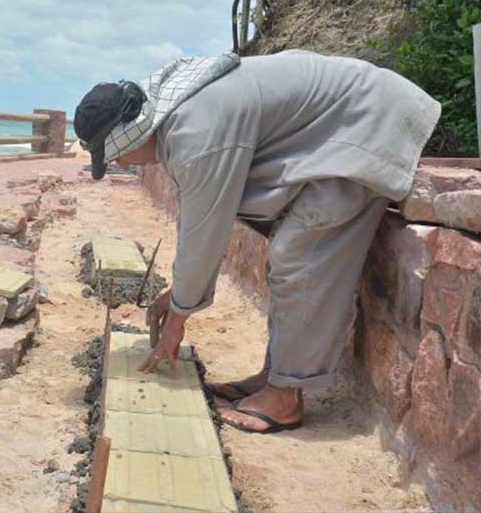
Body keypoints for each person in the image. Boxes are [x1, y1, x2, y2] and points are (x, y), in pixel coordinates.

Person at [73, 50, 440, 433]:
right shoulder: (179, 118)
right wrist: (178, 294)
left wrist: (177, 320)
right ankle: (276, 377)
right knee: (290, 255)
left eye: (117, 155)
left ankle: (283, 399)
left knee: (298, 259)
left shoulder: (195, 134)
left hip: (366, 125)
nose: (126, 164)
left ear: (132, 136)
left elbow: (204, 231)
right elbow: (196, 219)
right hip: (343, 125)